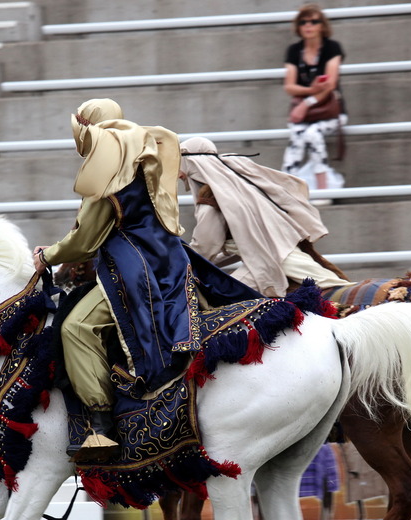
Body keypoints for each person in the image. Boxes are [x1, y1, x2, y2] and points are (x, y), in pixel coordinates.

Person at [32, 99, 259, 456]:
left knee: (75, 327)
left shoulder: (109, 165)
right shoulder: (143, 154)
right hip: (167, 258)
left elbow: (85, 239)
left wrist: (47, 256)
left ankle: (101, 423)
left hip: (132, 266)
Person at [180, 136, 351, 297]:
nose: (179, 174)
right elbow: (245, 243)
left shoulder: (210, 196)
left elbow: (206, 245)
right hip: (275, 255)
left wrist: (176, 264)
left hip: (268, 262)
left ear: (191, 163)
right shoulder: (239, 188)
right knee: (334, 286)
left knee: (216, 300)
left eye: (179, 165)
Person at [282, 4, 346, 195]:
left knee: (312, 134)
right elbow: (289, 85)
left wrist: (306, 102)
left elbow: (331, 84)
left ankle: (323, 189)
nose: (308, 26)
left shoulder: (332, 47)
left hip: (330, 112)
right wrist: (312, 89)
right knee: (296, 137)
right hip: (305, 115)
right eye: (303, 22)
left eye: (314, 21)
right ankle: (285, 191)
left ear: (322, 25)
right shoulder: (294, 50)